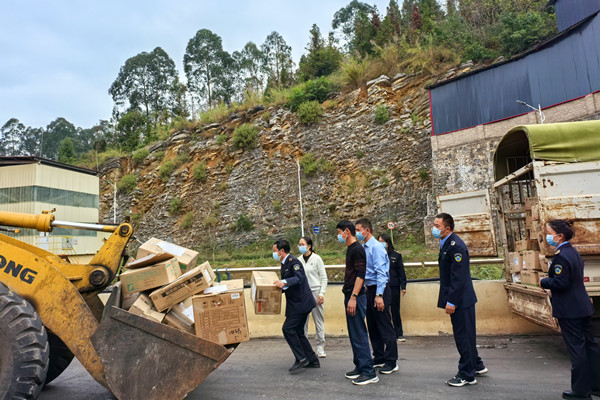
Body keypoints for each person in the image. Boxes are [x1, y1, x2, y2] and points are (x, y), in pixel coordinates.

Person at [539, 220, 600, 400]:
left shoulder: (561, 256)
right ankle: (596, 385)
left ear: (559, 236)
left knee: (577, 349)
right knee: (590, 346)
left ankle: (581, 391)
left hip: (570, 310)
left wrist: (544, 282)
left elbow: (561, 282)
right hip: (582, 306)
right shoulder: (573, 252)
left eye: (549, 233)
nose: (547, 236)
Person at [433, 212, 487, 387]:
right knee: (466, 335)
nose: (434, 229)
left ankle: (466, 374)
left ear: (447, 228)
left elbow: (459, 278)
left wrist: (452, 301)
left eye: (437, 226)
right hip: (460, 298)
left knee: (463, 337)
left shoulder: (456, 246)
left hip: (461, 300)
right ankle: (476, 365)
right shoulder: (446, 243)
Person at [336, 220, 378, 385]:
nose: (338, 236)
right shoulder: (351, 249)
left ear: (347, 231)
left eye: (339, 232)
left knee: (359, 333)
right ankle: (360, 366)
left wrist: (353, 297)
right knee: (354, 333)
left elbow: (361, 275)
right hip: (350, 295)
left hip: (356, 296)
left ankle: (369, 372)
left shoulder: (357, 249)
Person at [355, 218, 398, 375]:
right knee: (373, 326)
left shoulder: (376, 247)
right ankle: (379, 357)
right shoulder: (364, 247)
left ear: (367, 230)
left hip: (379, 289)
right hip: (368, 289)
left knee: (384, 325)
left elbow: (381, 272)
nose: (357, 233)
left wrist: (379, 295)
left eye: (358, 230)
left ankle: (391, 361)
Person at [272, 239, 319, 374]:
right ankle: (312, 360)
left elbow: (299, 278)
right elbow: (288, 285)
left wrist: (284, 281)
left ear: (281, 251)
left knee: (288, 329)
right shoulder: (285, 263)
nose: (273, 254)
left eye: (275, 251)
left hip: (301, 303)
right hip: (297, 303)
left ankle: (301, 358)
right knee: (298, 331)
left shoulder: (294, 262)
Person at [298, 236, 328, 358]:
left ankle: (320, 347)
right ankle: (305, 349)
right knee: (303, 322)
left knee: (318, 321)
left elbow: (324, 277)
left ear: (309, 246)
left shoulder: (317, 259)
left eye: (303, 244)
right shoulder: (298, 260)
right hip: (303, 293)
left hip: (315, 292)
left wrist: (321, 293)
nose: (300, 247)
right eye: (299, 244)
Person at [378, 233, 407, 342]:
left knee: (395, 310)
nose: (381, 244)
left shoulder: (396, 255)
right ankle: (386, 333)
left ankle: (399, 333)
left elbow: (401, 272)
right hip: (381, 286)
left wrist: (403, 286)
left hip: (393, 286)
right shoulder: (377, 254)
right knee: (383, 310)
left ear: (388, 242)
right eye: (379, 242)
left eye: (383, 242)